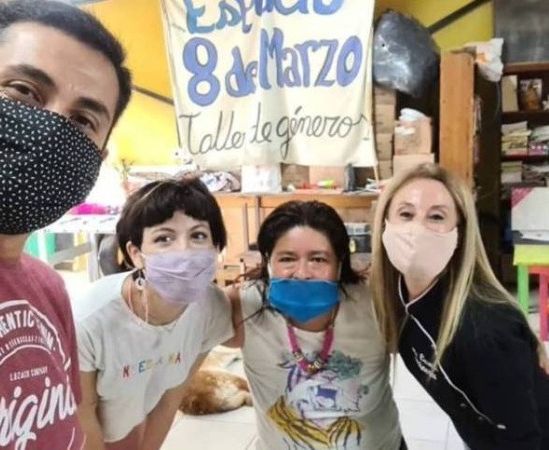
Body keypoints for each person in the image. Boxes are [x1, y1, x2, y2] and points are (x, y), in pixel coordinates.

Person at [0, 1, 131, 449]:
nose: (48, 130)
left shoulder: (48, 287)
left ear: (97, 160)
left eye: (83, 120)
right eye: (24, 91)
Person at [370, 163, 549, 450]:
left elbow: (522, 439)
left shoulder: (484, 331)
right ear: (384, 224)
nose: (417, 229)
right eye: (406, 214)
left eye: (436, 216)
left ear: (459, 234)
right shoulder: (399, 298)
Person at [226, 200, 404, 450]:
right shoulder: (242, 306)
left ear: (340, 264)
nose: (302, 273)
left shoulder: (377, 304)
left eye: (318, 259)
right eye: (287, 259)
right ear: (268, 261)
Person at [74, 178, 233, 450]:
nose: (184, 250)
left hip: (128, 425)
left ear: (216, 247)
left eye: (198, 235)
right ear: (136, 254)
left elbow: (170, 398)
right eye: (164, 238)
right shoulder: (90, 320)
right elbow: (82, 414)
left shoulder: (212, 309)